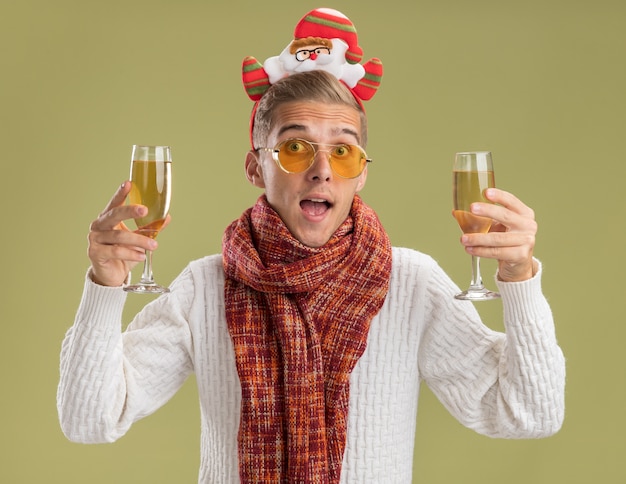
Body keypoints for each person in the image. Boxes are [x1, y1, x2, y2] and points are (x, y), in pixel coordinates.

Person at [57, 7, 565, 484]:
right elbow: (88, 420)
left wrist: (519, 278)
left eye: (343, 151)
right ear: (257, 165)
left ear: (360, 174)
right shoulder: (204, 287)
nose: (322, 169)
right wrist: (105, 285)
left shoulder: (409, 282)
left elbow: (529, 415)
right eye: (296, 147)